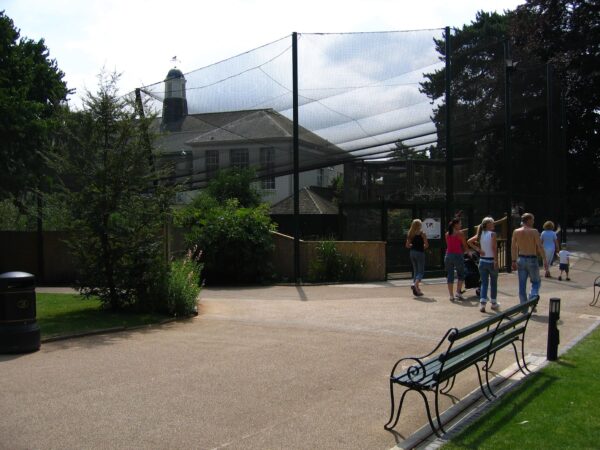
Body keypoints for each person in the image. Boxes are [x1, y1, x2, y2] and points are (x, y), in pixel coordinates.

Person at [511, 213, 548, 306]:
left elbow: (513, 247)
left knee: (522, 284)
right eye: (532, 220)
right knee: (536, 281)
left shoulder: (516, 231)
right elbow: (540, 246)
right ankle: (532, 296)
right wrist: (544, 259)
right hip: (532, 258)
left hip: (521, 258)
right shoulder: (534, 231)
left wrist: (513, 260)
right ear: (528, 220)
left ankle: (523, 306)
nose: (533, 221)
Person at [468, 217, 500, 312]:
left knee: (484, 283)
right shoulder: (492, 234)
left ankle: (482, 303)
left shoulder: (480, 234)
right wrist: (496, 261)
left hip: (482, 261)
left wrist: (478, 250)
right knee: (493, 282)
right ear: (488, 225)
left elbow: (469, 241)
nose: (493, 224)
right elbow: (494, 248)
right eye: (492, 223)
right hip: (490, 261)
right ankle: (493, 303)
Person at [445, 218, 470, 301]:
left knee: (450, 275)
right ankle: (458, 292)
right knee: (461, 274)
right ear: (455, 225)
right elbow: (465, 245)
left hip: (448, 255)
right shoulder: (460, 234)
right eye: (460, 224)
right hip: (457, 255)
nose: (461, 225)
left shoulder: (447, 234)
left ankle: (451, 295)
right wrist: (468, 253)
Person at [406, 219, 429, 296]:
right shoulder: (422, 234)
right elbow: (426, 245)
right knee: (421, 272)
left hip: (412, 253)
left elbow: (407, 245)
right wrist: (421, 246)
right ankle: (415, 284)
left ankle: (417, 290)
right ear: (419, 225)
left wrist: (413, 245)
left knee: (415, 271)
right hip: (420, 253)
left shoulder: (410, 234)